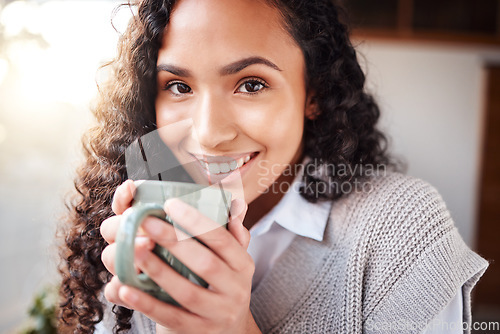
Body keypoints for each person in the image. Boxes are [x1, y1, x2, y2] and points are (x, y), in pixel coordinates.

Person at [58, 0, 489, 333]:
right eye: (179, 86)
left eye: (250, 84)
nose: (208, 134)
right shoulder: (128, 222)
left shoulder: (400, 232)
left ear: (313, 94)